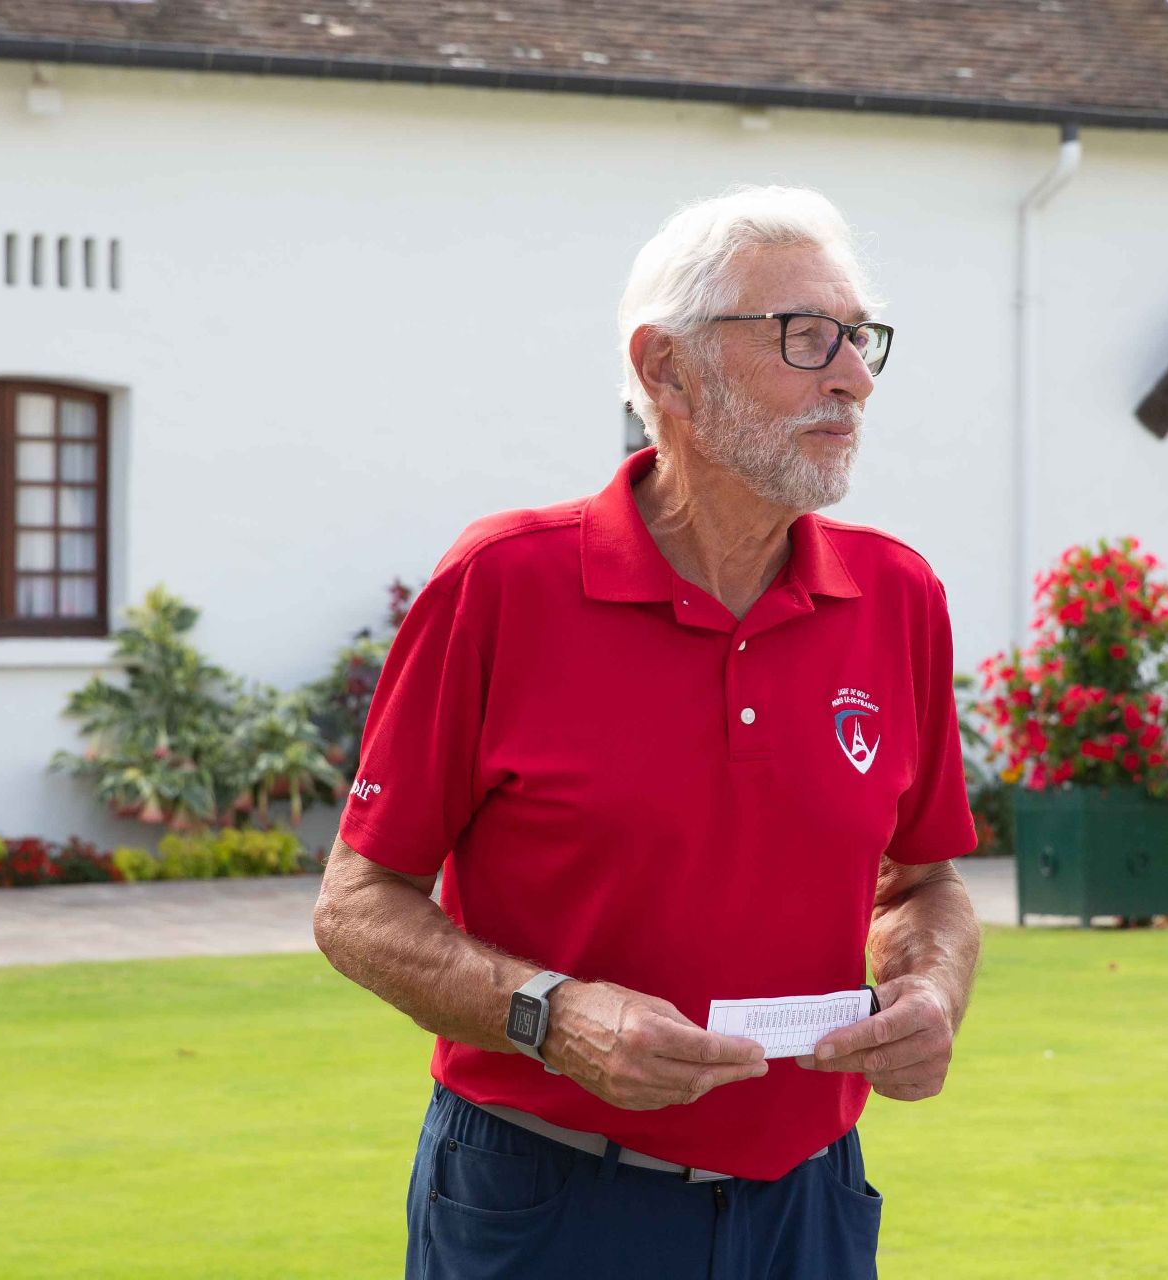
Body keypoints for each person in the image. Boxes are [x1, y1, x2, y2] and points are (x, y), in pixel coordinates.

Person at [312, 185, 982, 1280]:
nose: (854, 378)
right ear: (667, 367)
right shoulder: (502, 584)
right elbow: (354, 905)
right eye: (805, 336)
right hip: (545, 1202)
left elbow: (923, 884)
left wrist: (931, 990)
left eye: (859, 339)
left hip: (810, 1206)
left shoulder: (898, 595)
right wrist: (550, 1015)